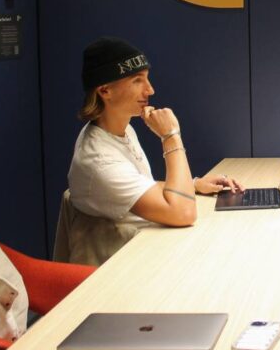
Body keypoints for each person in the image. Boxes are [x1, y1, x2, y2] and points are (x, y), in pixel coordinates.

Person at [68, 37, 242, 230]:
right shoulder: (99, 160)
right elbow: (183, 213)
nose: (150, 89)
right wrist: (170, 136)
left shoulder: (122, 130)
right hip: (127, 257)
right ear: (105, 90)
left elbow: (138, 185)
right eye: (137, 81)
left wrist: (194, 185)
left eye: (147, 78)